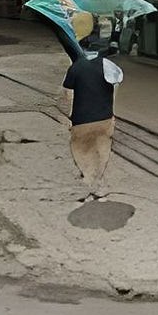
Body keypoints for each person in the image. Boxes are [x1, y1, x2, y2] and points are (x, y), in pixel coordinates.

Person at [63, 13, 117, 188]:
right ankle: (98, 181)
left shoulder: (76, 68)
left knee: (81, 153)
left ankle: (88, 181)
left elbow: (67, 97)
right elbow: (116, 85)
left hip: (81, 122)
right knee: (102, 153)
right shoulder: (108, 66)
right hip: (105, 120)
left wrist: (67, 118)